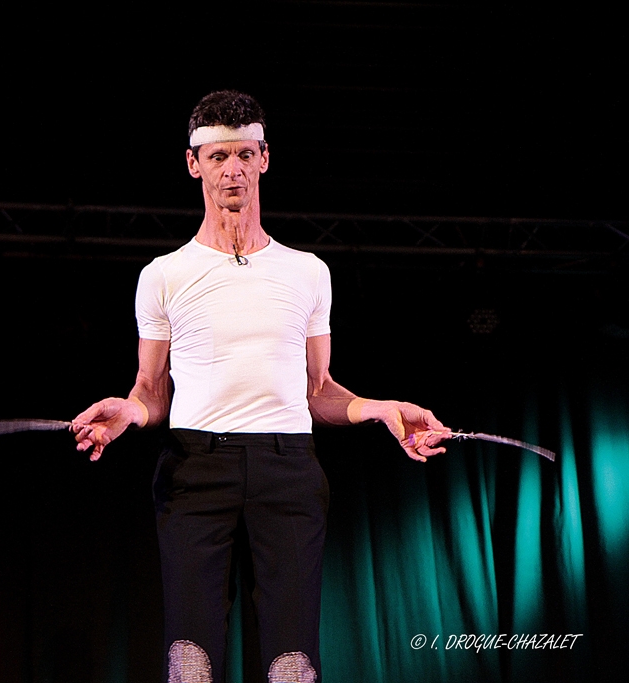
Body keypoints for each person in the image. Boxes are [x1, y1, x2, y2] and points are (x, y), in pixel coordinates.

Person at [71, 90, 449, 683]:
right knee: (190, 657)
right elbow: (150, 391)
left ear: (265, 159)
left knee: (292, 661)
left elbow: (317, 388)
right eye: (218, 156)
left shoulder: (307, 271)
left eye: (245, 154)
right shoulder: (163, 275)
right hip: (195, 466)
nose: (233, 170)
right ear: (194, 164)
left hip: (287, 468)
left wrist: (382, 409)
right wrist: (128, 412)